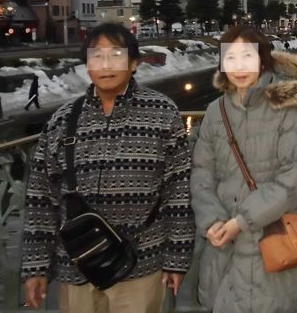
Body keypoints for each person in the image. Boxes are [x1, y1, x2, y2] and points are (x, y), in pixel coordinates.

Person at [21, 23, 195, 313]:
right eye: (97, 56)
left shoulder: (162, 113)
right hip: (76, 265)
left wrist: (177, 257)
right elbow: (41, 198)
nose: (106, 65)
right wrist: (36, 266)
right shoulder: (62, 119)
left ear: (134, 63)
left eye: (116, 55)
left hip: (141, 261)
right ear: (86, 65)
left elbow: (178, 191)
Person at [191, 25, 297, 313]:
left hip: (273, 245)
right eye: (231, 58)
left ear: (263, 61)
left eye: (247, 57)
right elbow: (202, 171)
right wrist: (212, 221)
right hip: (223, 247)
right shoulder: (217, 111)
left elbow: (294, 178)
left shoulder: (285, 109)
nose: (239, 67)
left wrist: (241, 222)